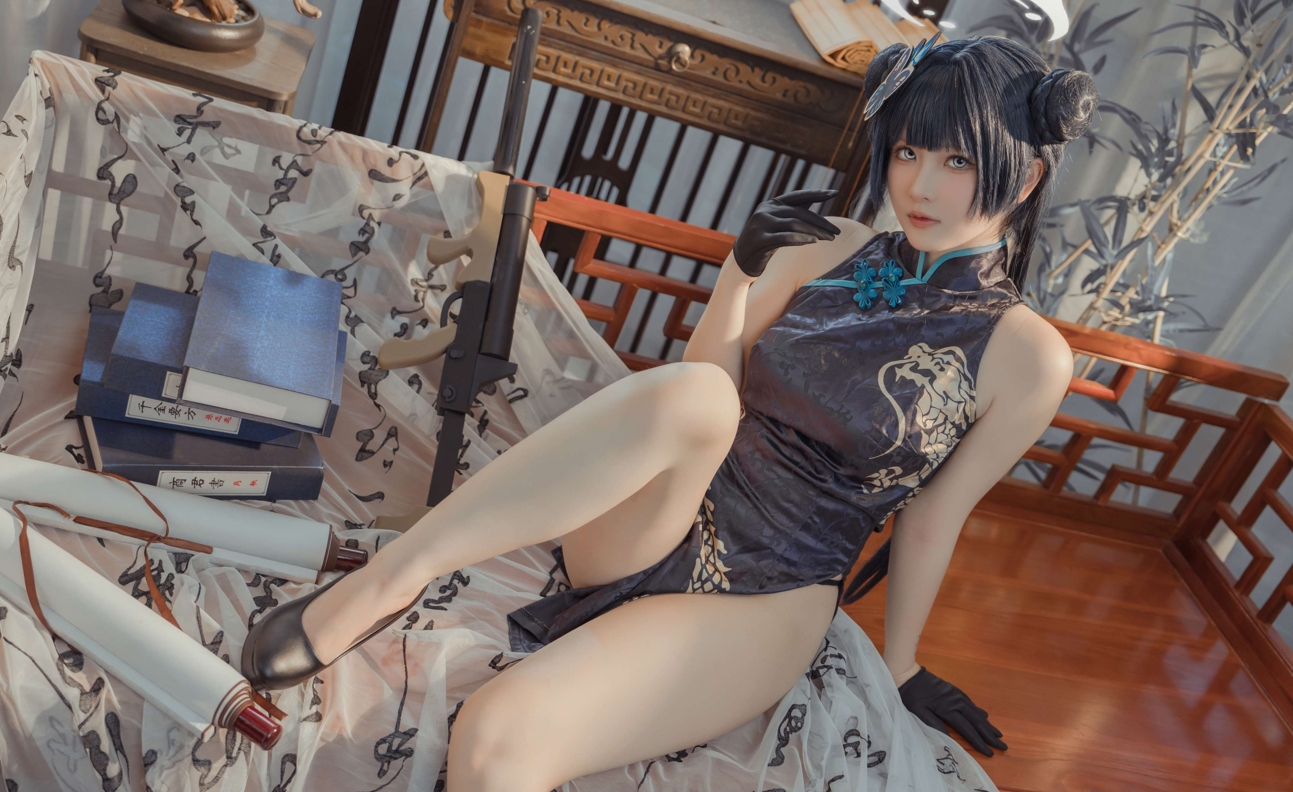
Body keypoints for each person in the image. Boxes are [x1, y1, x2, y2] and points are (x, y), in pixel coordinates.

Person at [241, 35, 1096, 790]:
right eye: (907, 151)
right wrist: (739, 272)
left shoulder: (1026, 356)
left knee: (497, 739)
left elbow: (932, 519)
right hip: (657, 519)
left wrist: (901, 665)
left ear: (1023, 175)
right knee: (696, 394)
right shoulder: (830, 245)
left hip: (772, 594)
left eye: (957, 162)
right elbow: (704, 392)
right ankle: (386, 582)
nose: (918, 184)